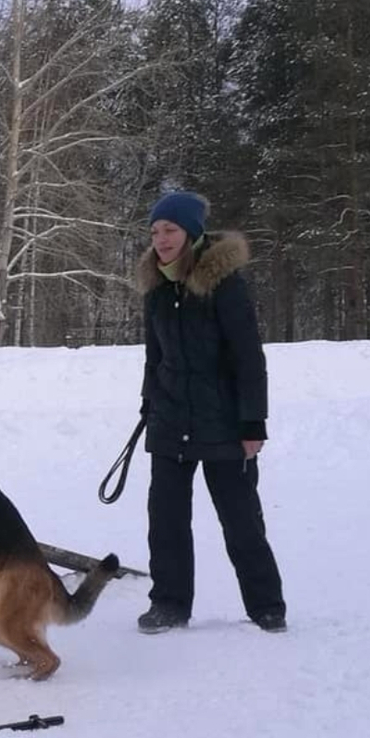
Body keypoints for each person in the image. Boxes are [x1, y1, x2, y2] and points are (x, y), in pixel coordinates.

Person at [136, 190, 287, 634]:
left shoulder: (225, 285)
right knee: (165, 521)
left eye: (171, 230)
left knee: (241, 520)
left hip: (223, 422)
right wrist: (149, 404)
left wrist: (252, 422)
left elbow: (248, 357)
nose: (161, 239)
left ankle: (266, 606)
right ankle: (168, 604)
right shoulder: (156, 287)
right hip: (168, 420)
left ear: (192, 233)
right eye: (156, 231)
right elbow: (154, 356)